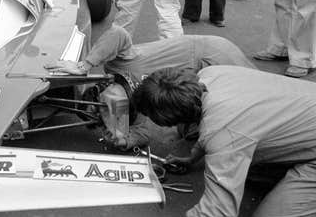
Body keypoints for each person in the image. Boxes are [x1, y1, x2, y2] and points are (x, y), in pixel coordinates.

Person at [117, 66, 316, 217]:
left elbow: (221, 209)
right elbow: (219, 125)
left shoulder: (224, 133)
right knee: (245, 170)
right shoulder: (208, 75)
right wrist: (194, 155)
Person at [44, 24, 254, 149]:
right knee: (190, 129)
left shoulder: (119, 64)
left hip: (212, 54)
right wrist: (123, 140)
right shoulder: (143, 106)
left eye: (97, 107)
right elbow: (143, 135)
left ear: (100, 89)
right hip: (195, 75)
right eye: (101, 116)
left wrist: (84, 66)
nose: (103, 115)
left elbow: (118, 33)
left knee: (239, 114)